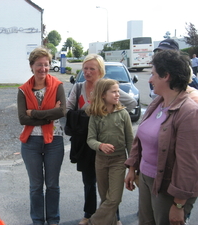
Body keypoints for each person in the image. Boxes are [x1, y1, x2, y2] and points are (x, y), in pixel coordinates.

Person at [124, 50, 198, 225]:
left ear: (166, 76)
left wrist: (179, 205)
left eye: (153, 74)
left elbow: (188, 164)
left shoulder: (189, 112)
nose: (150, 80)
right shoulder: (157, 103)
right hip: (145, 179)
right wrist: (132, 167)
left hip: (167, 187)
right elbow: (140, 139)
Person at [66, 54, 137, 225]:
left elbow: (132, 103)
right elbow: (67, 110)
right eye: (85, 68)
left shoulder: (107, 87)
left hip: (108, 142)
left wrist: (113, 111)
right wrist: (90, 113)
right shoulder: (78, 87)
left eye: (92, 68)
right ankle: (88, 214)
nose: (88, 72)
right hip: (86, 141)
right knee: (89, 181)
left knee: (111, 187)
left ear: (100, 70)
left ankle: (114, 217)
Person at [17, 47, 66, 225]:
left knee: (52, 185)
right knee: (36, 187)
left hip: (54, 141)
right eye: (39, 65)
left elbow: (61, 111)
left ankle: (53, 220)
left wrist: (34, 114)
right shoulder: (23, 90)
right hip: (31, 142)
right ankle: (37, 220)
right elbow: (23, 119)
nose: (43, 68)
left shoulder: (58, 85)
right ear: (32, 66)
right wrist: (48, 116)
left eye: (46, 64)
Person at [86, 79, 134, 225]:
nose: (117, 94)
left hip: (119, 160)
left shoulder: (123, 113)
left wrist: (132, 167)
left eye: (118, 91)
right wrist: (100, 146)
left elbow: (131, 141)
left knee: (114, 199)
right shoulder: (95, 115)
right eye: (113, 91)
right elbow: (90, 139)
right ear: (102, 95)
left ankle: (93, 222)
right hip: (100, 161)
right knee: (106, 199)